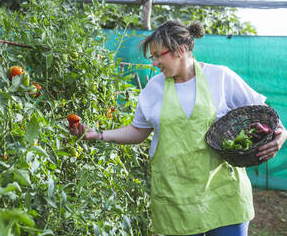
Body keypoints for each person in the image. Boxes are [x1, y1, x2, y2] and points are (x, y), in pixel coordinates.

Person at [69, 19, 287, 236]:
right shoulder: (154, 88)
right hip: (176, 198)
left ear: (181, 50)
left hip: (224, 195)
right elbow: (138, 131)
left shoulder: (220, 77)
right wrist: (98, 135)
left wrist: (282, 134)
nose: (154, 62)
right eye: (151, 56)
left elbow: (267, 117)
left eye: (157, 55)